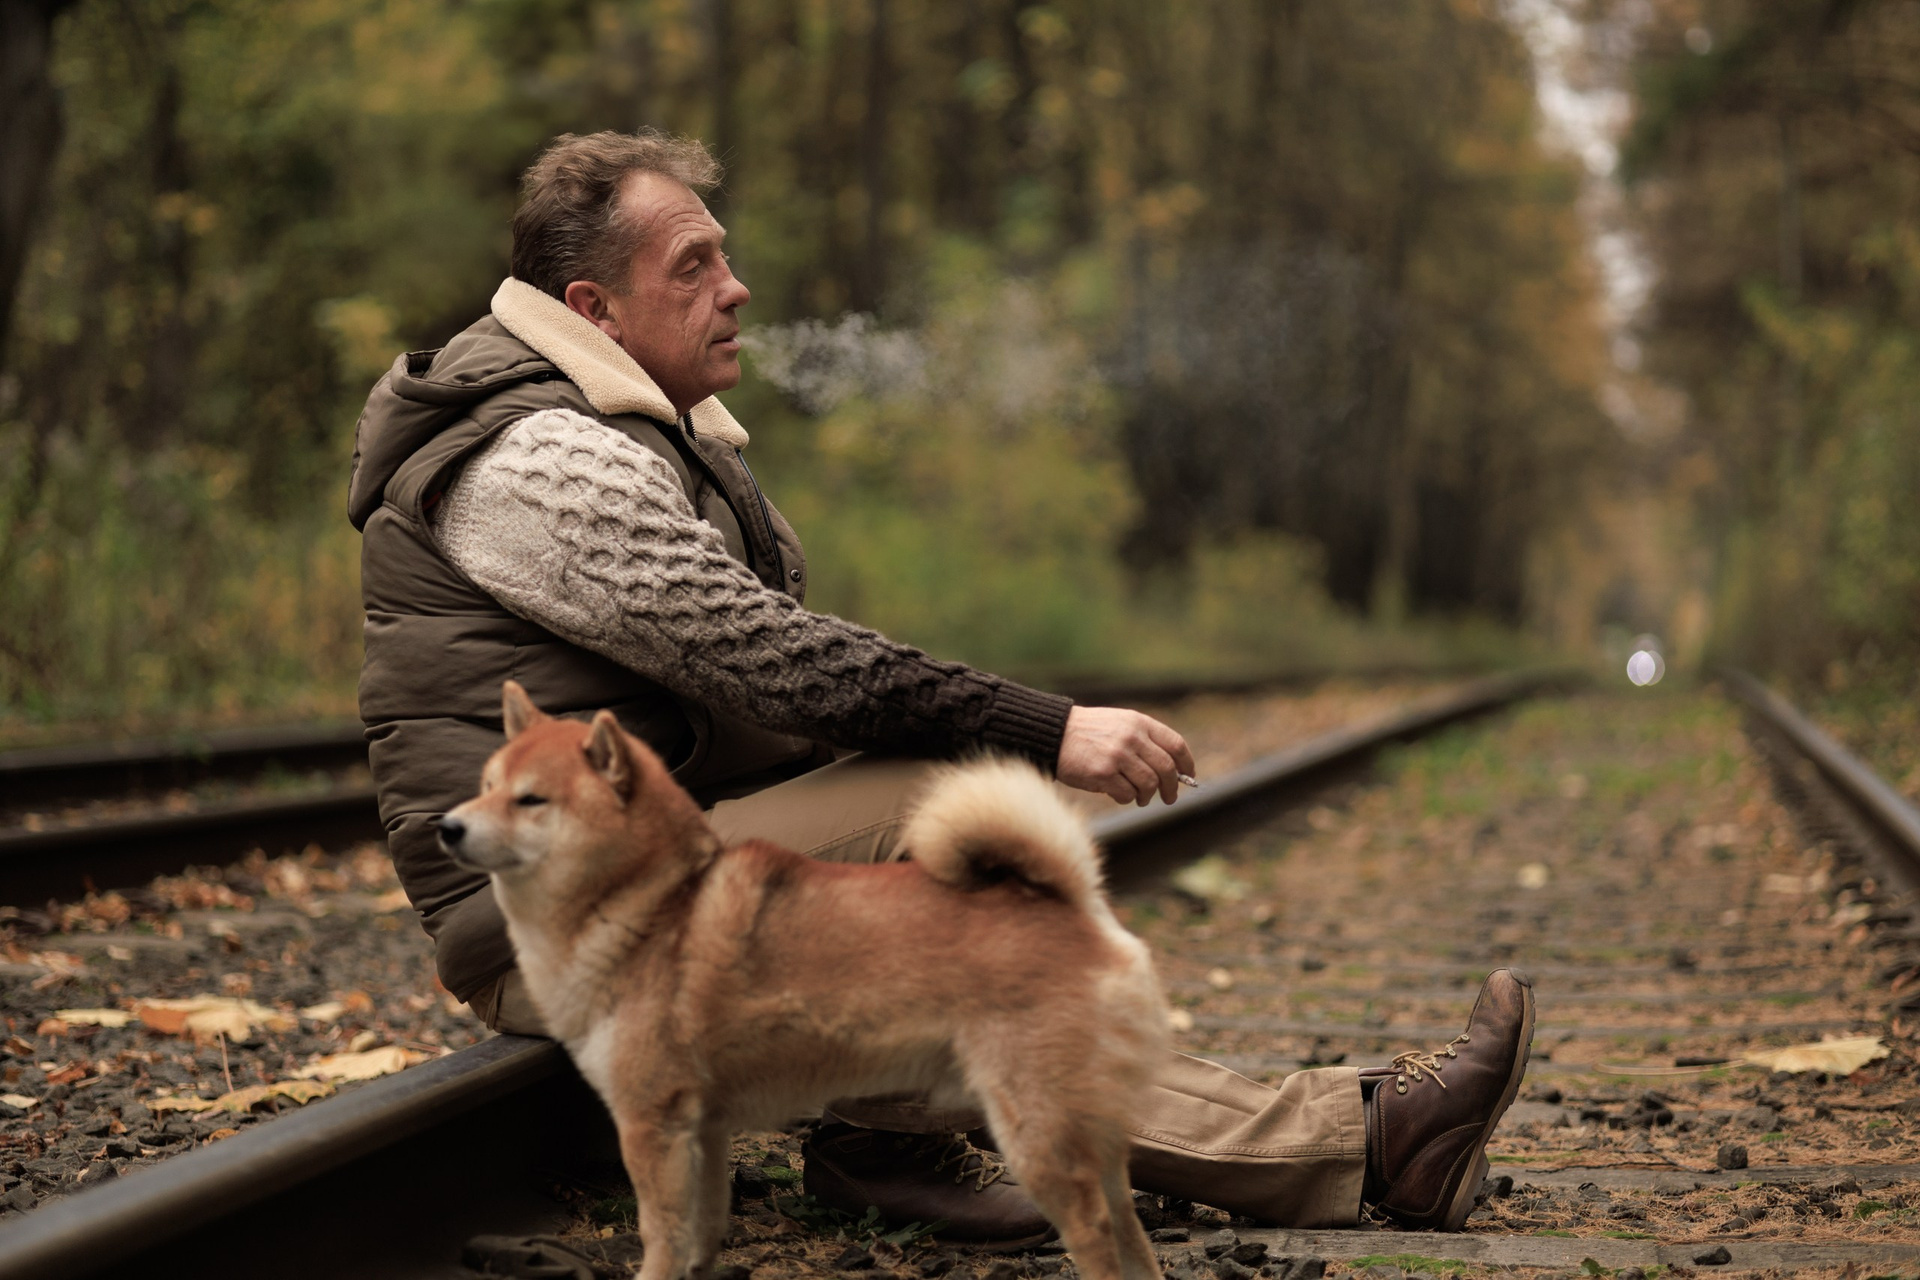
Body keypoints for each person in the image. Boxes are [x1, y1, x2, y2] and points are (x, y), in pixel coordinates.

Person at [348, 129, 1533, 1240]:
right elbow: (774, 657)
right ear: (592, 309)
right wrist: (1046, 727)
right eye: (693, 265)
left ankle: (894, 1143)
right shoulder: (541, 457)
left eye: (726, 255)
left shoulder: (647, 429)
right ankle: (1361, 1140)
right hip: (555, 913)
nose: (736, 287)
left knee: (959, 864)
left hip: (644, 868)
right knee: (953, 843)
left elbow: (770, 682)